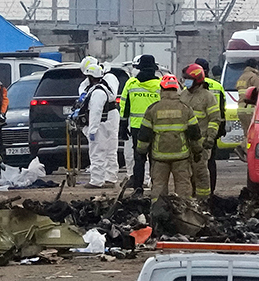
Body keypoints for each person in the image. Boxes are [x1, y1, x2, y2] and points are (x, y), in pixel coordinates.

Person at [135, 74, 201, 199]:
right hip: (181, 156)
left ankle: (158, 209)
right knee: (183, 186)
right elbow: (194, 134)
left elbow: (144, 134)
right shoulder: (186, 109)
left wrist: (141, 152)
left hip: (159, 156)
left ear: (162, 89)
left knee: (159, 187)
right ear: (176, 89)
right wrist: (197, 151)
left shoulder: (153, 109)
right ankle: (184, 209)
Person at [119, 55, 163, 193]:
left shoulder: (131, 83)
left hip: (137, 128)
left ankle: (138, 189)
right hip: (157, 128)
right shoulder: (160, 85)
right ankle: (156, 188)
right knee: (155, 159)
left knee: (139, 159)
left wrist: (123, 125)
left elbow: (124, 106)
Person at [78, 56, 122, 187]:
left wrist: (92, 130)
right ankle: (110, 178)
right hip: (111, 118)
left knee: (97, 150)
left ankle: (96, 180)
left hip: (101, 121)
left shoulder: (98, 91)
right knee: (110, 149)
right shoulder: (107, 83)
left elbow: (95, 112)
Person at [180, 63, 222, 198]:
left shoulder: (208, 97)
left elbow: (214, 119)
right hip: (184, 143)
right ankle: (189, 200)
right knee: (185, 175)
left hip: (201, 143)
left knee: (200, 173)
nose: (186, 82)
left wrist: (210, 138)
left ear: (197, 80)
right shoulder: (182, 95)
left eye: (189, 79)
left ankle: (203, 200)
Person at [192, 57, 226, 190]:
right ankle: (211, 190)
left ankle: (196, 190)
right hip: (213, 128)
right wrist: (221, 129)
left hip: (196, 129)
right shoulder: (217, 86)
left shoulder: (190, 88)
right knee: (211, 161)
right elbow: (222, 109)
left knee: (195, 161)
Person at [235, 61, 259, 152]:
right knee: (253, 134)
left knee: (247, 134)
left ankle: (246, 154)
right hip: (250, 109)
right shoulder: (254, 77)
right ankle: (242, 147)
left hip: (241, 109)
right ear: (255, 66)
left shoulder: (241, 78)